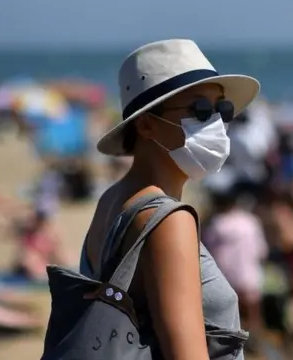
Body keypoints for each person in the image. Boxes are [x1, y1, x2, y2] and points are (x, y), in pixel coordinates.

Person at [79, 39, 260, 359]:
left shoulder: (112, 200)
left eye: (222, 108)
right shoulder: (168, 220)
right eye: (200, 110)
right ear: (147, 124)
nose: (217, 123)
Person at [203, 186, 268, 353]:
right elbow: (261, 251)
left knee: (233, 317)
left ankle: (236, 349)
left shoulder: (218, 224)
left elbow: (208, 250)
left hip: (227, 277)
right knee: (253, 314)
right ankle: (255, 345)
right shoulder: (251, 221)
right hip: (250, 276)